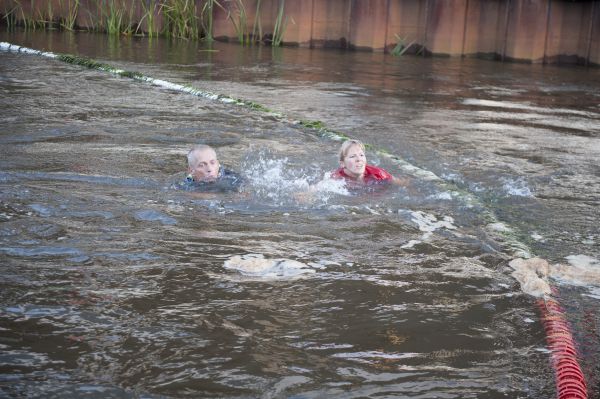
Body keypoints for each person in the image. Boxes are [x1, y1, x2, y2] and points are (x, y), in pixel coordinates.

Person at [331, 139, 406, 188]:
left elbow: (401, 183)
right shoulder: (336, 179)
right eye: (353, 156)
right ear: (342, 164)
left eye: (361, 155)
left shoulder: (378, 174)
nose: (359, 159)